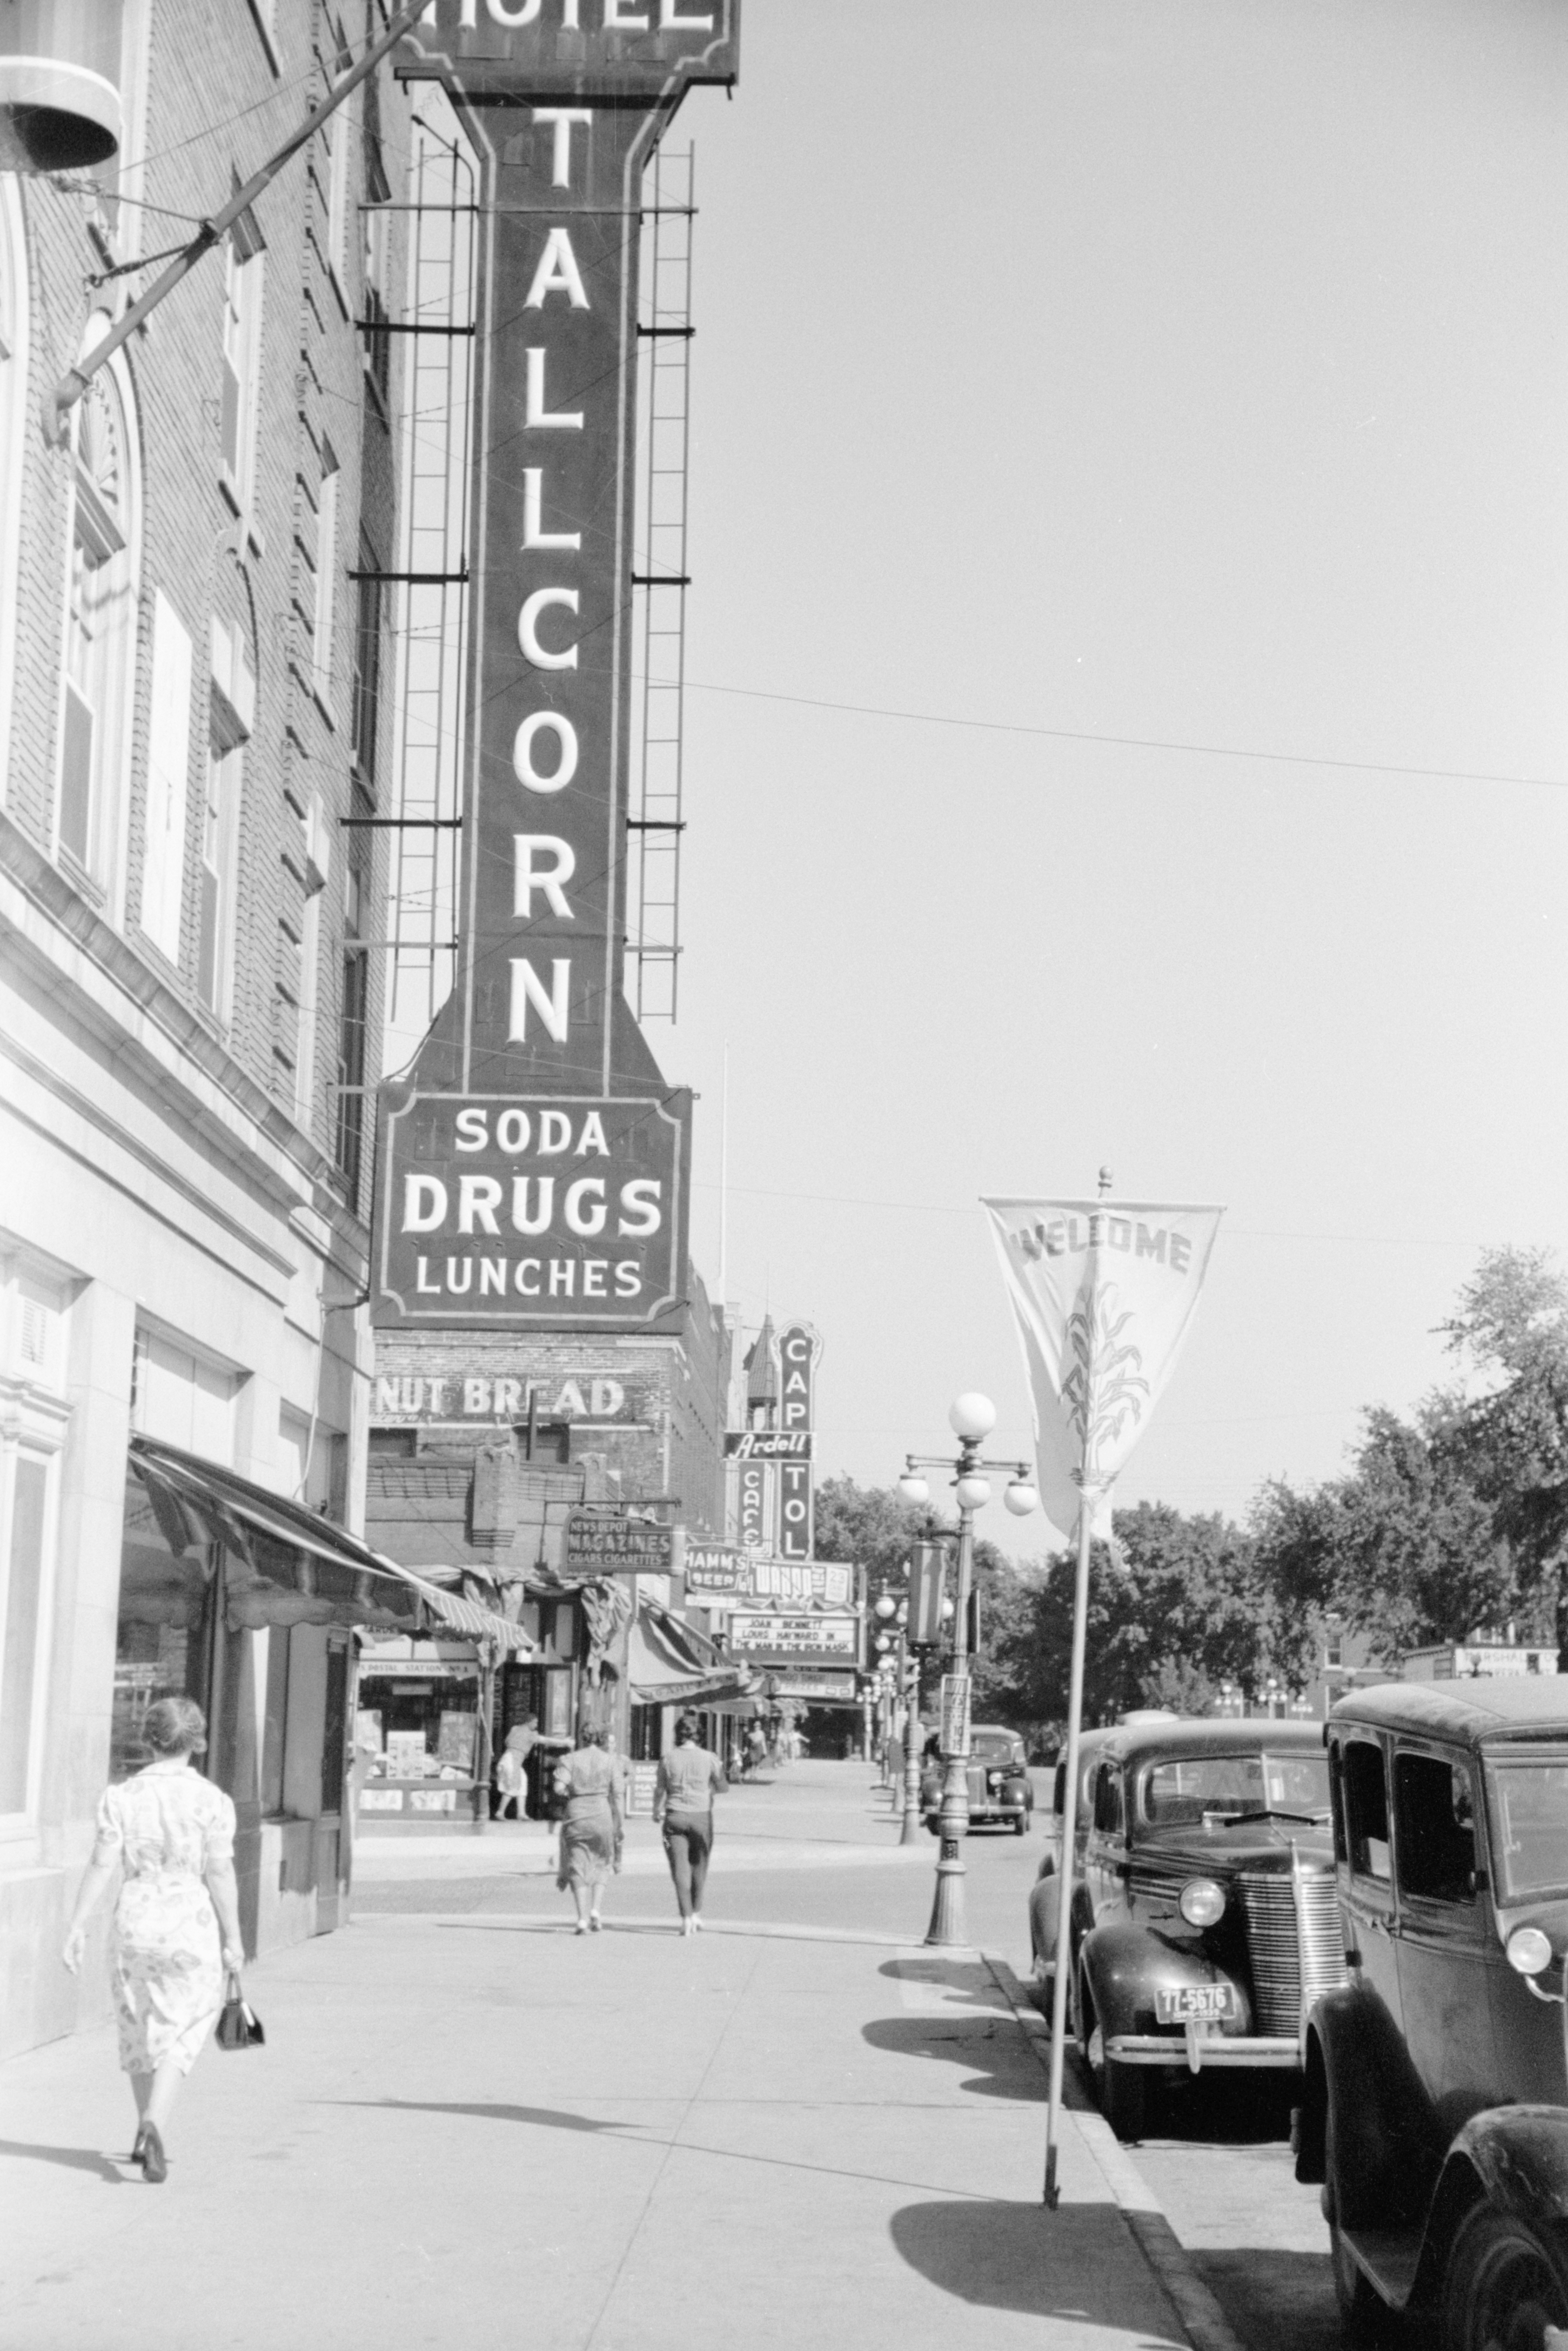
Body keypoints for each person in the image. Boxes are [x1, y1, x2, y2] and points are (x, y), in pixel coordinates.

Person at [61, 1695, 243, 2185]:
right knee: (186, 2023)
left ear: (149, 1739)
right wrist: (235, 1937)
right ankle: (153, 2125)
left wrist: (77, 1925)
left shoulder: (121, 1797)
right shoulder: (213, 1801)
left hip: (135, 1917)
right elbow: (220, 1870)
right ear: (198, 1741)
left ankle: (144, 2132)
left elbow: (103, 1862)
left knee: (137, 2024)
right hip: (189, 1920)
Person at [653, 1714, 727, 1935]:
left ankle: (685, 1917)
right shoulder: (710, 1758)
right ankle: (696, 1913)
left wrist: (656, 1809)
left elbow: (660, 1789)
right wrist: (710, 1789)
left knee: (679, 1868)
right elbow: (723, 1786)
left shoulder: (667, 1759)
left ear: (679, 1734)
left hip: (674, 1819)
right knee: (700, 1866)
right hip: (702, 1818)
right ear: (699, 1734)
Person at [552, 1724, 621, 1934]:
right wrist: (620, 1824)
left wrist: (572, 1794)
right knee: (602, 1862)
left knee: (577, 1865)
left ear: (582, 1738)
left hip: (577, 1816)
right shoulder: (611, 1761)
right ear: (601, 1739)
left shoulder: (570, 1759)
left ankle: (582, 1919)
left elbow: (559, 1788)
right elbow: (618, 1795)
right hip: (602, 1815)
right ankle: (596, 1911)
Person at [494, 1718, 537, 1821]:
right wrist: (565, 1743)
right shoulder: (531, 1735)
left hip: (509, 1759)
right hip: (513, 1761)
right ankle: (500, 1812)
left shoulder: (515, 1729)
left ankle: (521, 1814)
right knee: (514, 1786)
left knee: (523, 1782)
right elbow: (546, 1740)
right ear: (529, 1721)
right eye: (536, 1723)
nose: (537, 1726)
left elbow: (507, 1742)